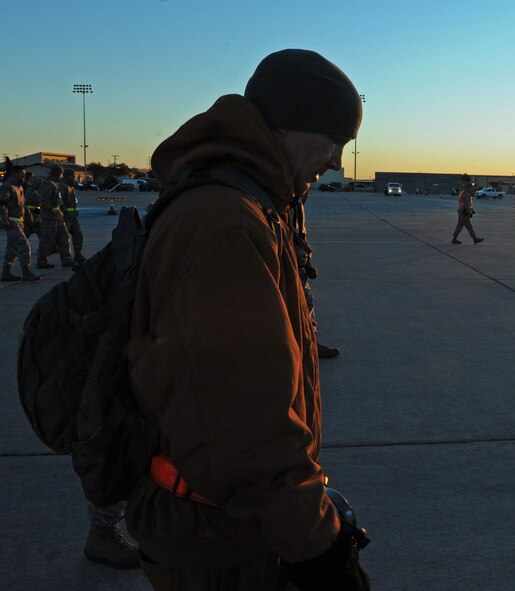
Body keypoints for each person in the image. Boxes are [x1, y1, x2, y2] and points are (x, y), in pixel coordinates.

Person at [125, 49, 370, 590]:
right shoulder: (225, 224)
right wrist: (318, 547)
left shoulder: (251, 206)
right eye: (334, 141)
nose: (335, 162)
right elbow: (247, 422)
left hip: (230, 521)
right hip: (220, 539)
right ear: (291, 126)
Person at [290, 191, 341, 359]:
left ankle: (310, 343)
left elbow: (299, 235)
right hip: (291, 264)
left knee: (307, 303)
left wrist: (306, 261)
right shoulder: (284, 204)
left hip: (299, 263)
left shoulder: (296, 203)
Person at [1, 158, 39, 281]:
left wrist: (29, 216)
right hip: (11, 222)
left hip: (19, 222)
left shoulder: (20, 188)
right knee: (24, 245)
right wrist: (4, 219)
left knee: (12, 249)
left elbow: (23, 204)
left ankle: (6, 272)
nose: (24, 176)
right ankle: (26, 272)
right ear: (15, 174)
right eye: (22, 174)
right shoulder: (8, 187)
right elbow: (2, 203)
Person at [36, 164, 74, 268]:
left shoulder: (55, 184)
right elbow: (44, 201)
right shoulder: (48, 184)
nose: (62, 176)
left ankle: (67, 260)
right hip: (49, 218)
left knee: (64, 238)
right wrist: (52, 211)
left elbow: (59, 201)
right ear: (57, 174)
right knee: (47, 240)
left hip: (58, 217)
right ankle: (42, 262)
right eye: (61, 174)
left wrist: (64, 211)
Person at [59, 168, 86, 263]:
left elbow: (74, 200)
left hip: (72, 215)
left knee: (78, 234)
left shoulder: (70, 186)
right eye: (72, 176)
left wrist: (74, 210)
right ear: (68, 176)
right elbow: (60, 201)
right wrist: (65, 212)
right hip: (65, 216)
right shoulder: (62, 186)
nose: (74, 178)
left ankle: (78, 254)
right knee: (64, 238)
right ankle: (66, 259)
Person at [22, 171, 42, 239]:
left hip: (32, 214)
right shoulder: (30, 189)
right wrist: (37, 212)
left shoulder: (32, 190)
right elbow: (38, 203)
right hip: (32, 214)